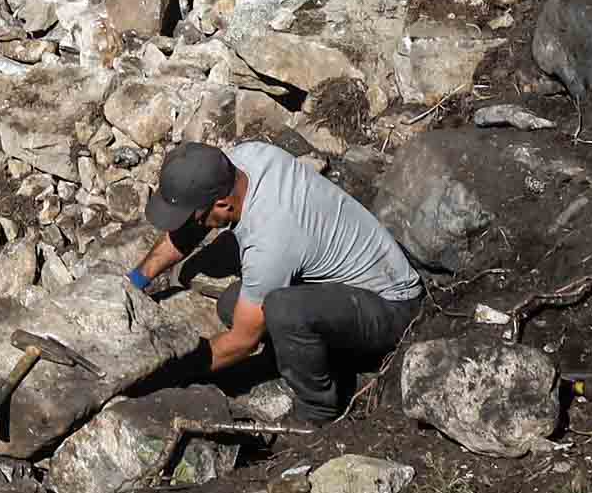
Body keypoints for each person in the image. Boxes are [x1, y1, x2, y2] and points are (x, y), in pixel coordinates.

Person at [129, 139, 423, 416]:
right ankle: (307, 355)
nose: (193, 225)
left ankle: (318, 410)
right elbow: (191, 228)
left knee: (282, 311)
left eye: (194, 216)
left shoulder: (270, 240)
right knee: (233, 304)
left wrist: (165, 375)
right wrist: (136, 281)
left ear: (223, 205)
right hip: (346, 287)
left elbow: (242, 341)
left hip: (392, 308)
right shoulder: (244, 159)